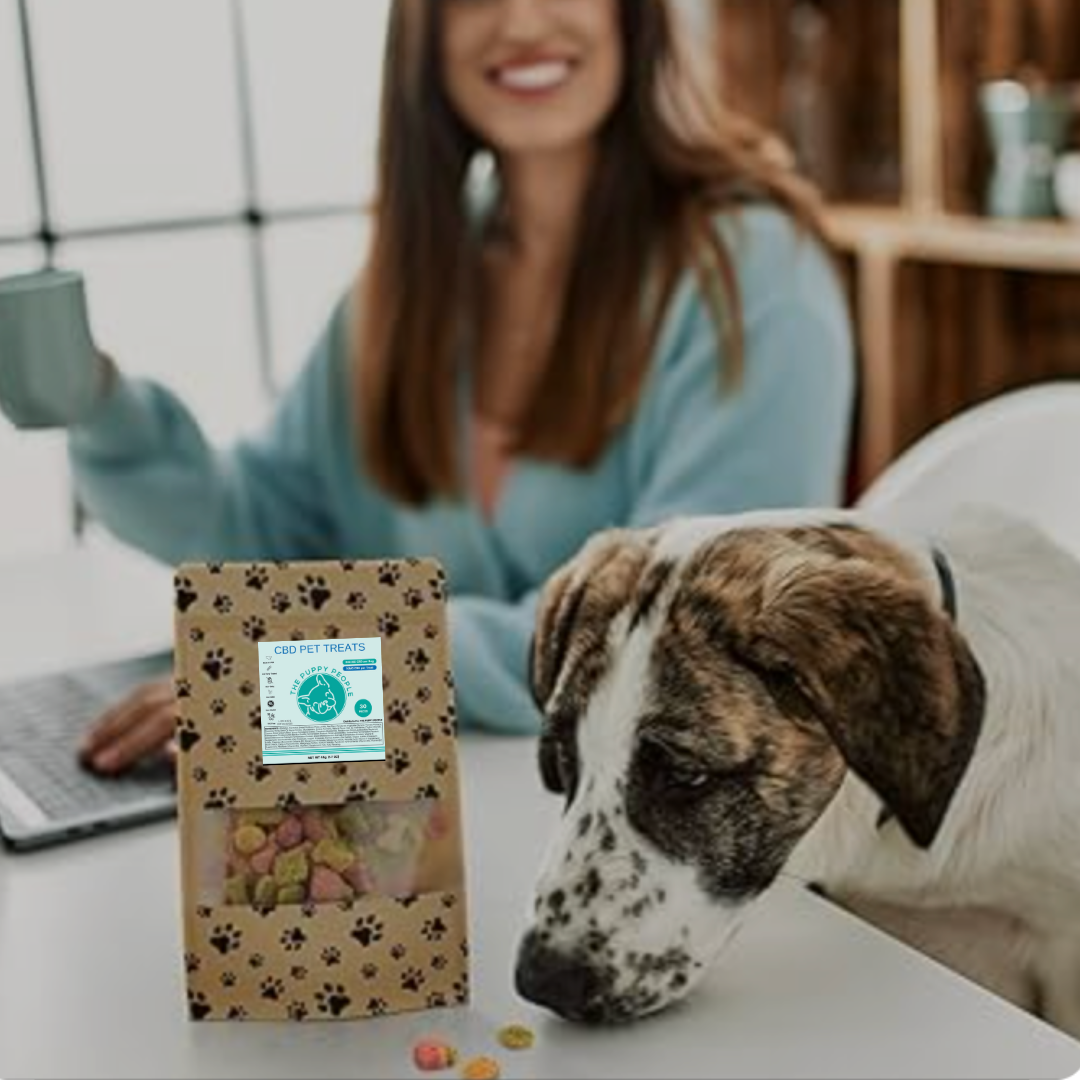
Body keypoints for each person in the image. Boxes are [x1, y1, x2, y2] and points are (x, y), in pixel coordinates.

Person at [66, 0, 854, 774]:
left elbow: (681, 628)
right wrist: (96, 405)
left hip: (637, 853)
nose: (520, 20)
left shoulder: (755, 279)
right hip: (424, 831)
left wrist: (307, 693)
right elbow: (264, 532)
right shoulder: (414, 283)